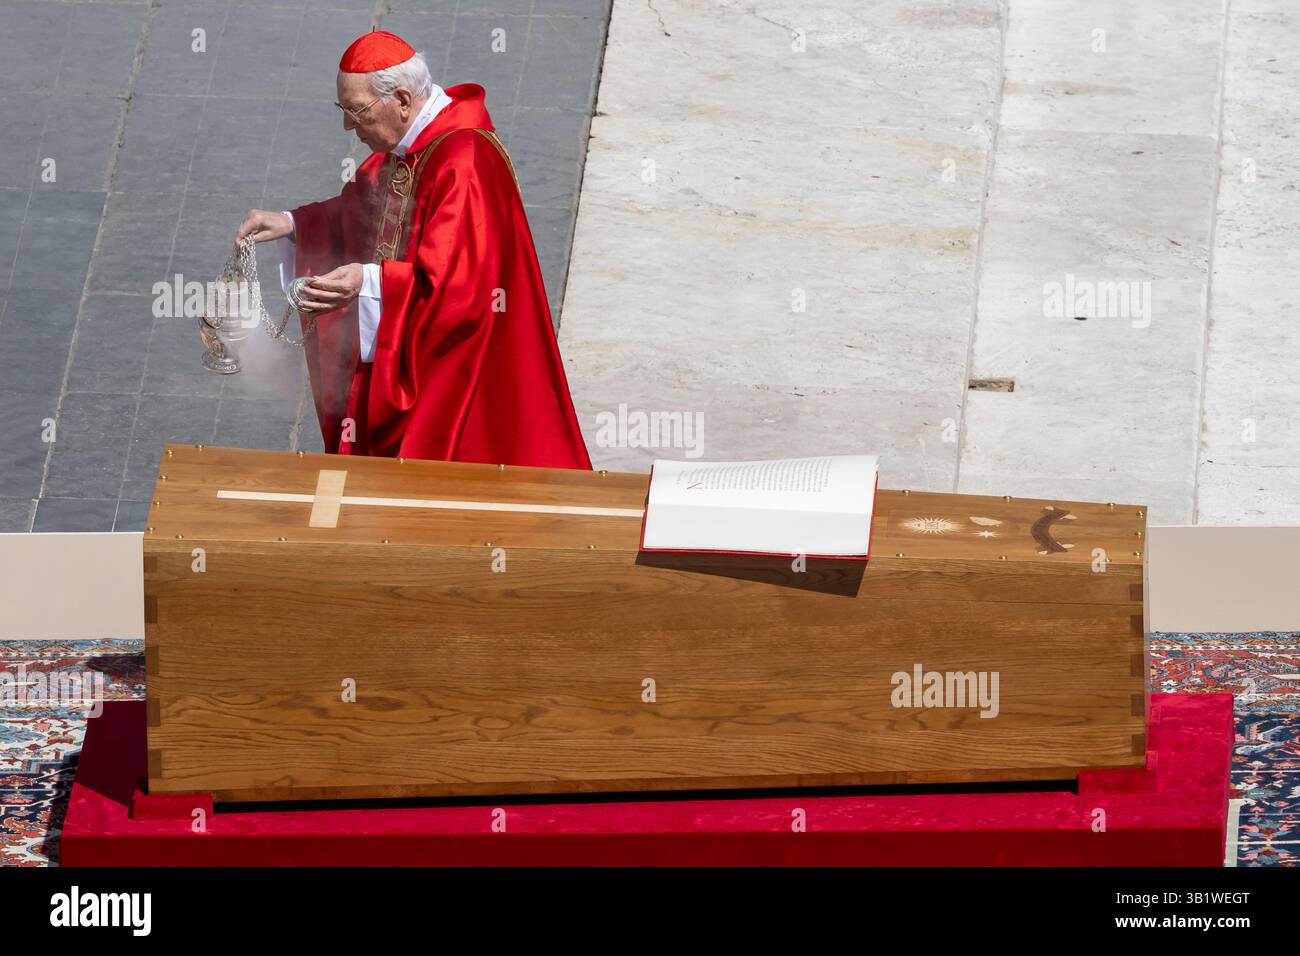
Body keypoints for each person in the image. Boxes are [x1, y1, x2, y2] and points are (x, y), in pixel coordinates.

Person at [234, 29, 591, 470]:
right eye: (342, 110)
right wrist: (293, 224)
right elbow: (362, 211)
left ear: (402, 99)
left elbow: (459, 289)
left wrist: (367, 280)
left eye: (356, 111)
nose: (349, 127)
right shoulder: (411, 148)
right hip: (410, 343)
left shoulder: (465, 162)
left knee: (452, 471)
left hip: (461, 363)